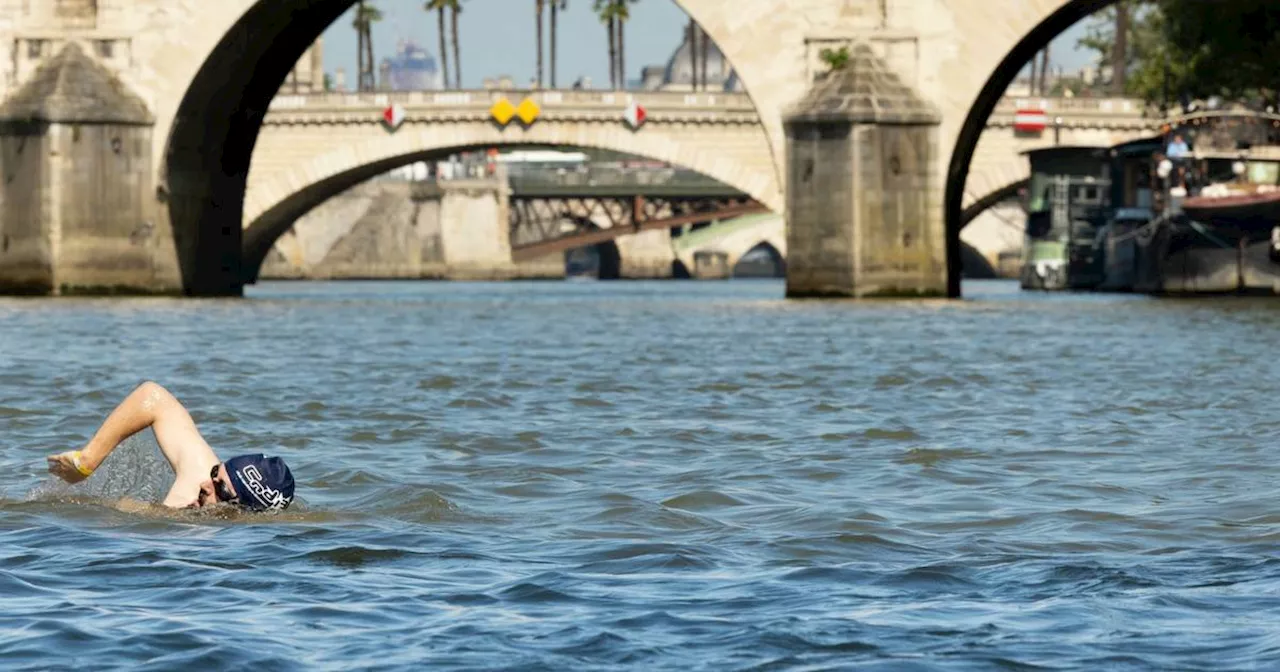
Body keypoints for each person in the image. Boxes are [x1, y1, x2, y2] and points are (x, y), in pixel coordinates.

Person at [45, 381, 295, 511]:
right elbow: (153, 397)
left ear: (243, 511)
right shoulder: (199, 475)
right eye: (216, 473)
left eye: (223, 491)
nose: (206, 485)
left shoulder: (210, 545)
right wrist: (87, 462)